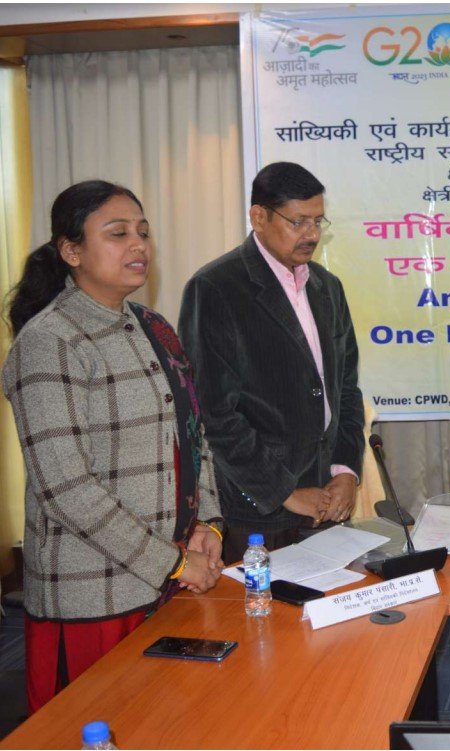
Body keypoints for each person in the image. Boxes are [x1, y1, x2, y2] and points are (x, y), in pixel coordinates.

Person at [2, 181, 223, 713]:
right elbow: (67, 489)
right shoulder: (48, 342)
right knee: (98, 730)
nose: (139, 244)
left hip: (168, 583)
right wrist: (172, 563)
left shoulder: (154, 327)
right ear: (71, 251)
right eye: (118, 233)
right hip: (93, 598)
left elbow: (194, 434)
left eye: (143, 231)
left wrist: (208, 524)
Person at [179, 162, 365, 563]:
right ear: (259, 217)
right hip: (258, 510)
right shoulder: (216, 288)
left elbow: (346, 390)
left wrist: (346, 471)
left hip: (327, 503)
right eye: (298, 222)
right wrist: (284, 491)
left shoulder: (327, 288)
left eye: (318, 221)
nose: (312, 234)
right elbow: (214, 412)